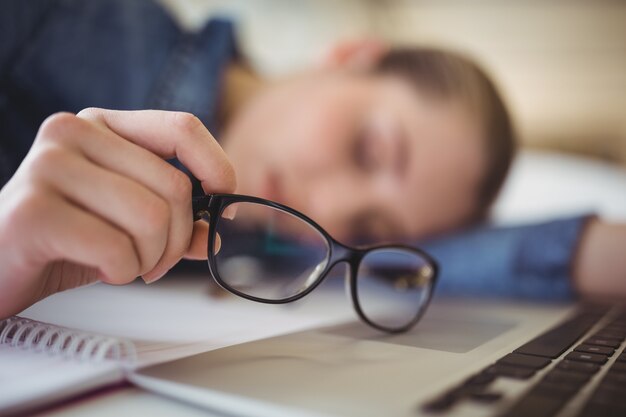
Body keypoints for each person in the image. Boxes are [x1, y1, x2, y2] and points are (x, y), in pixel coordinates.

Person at [0, 0, 624, 319]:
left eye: (370, 226)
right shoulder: (67, 23)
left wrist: (583, 248)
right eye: (367, 149)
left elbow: (397, 266)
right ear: (350, 53)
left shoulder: (255, 245)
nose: (319, 212)